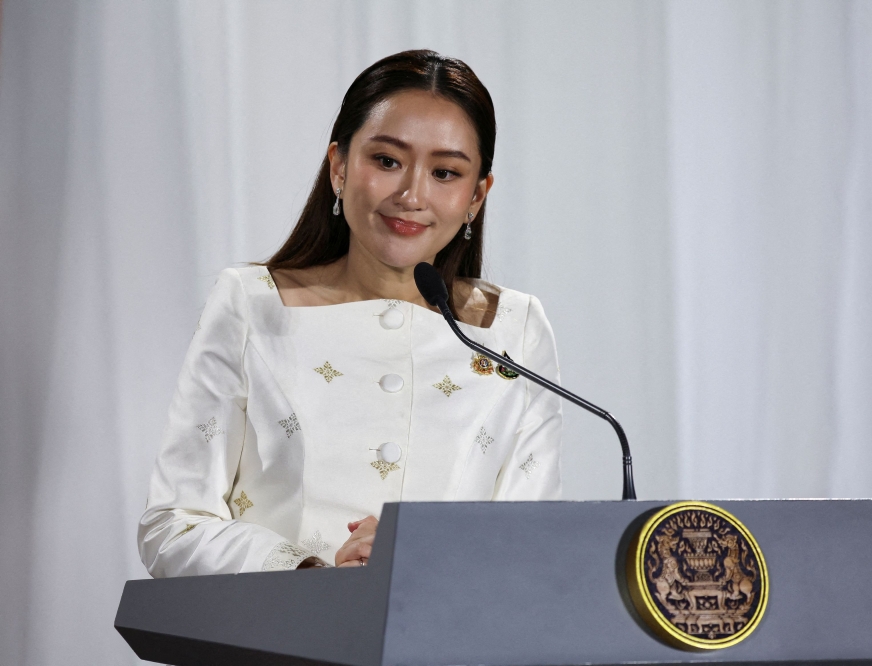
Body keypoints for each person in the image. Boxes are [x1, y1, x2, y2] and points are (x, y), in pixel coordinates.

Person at [138, 50, 563, 576]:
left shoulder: (514, 330)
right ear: (339, 166)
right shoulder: (252, 305)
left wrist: (426, 556)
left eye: (446, 172)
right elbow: (174, 525)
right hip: (282, 643)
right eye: (386, 161)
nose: (412, 195)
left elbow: (533, 547)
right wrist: (312, 577)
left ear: (477, 196)